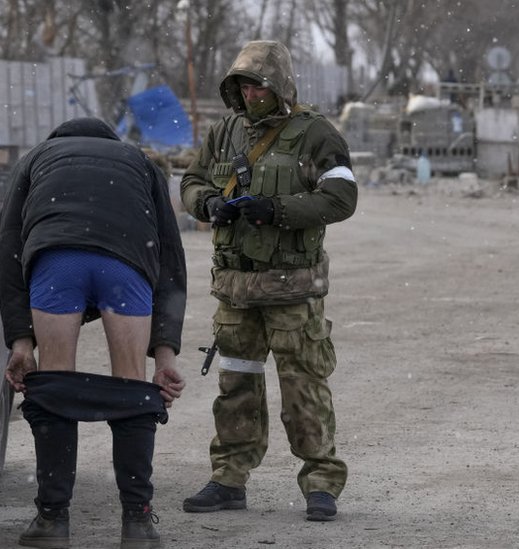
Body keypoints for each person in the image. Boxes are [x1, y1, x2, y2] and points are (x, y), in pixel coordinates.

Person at [179, 40, 358, 522]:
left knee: (304, 387)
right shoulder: (224, 132)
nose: (251, 93)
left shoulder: (317, 134)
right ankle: (228, 479)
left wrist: (277, 211)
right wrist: (208, 204)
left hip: (292, 289)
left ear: (279, 86)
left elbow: (342, 198)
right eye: (242, 84)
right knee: (235, 386)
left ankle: (321, 483)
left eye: (259, 84)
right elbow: (191, 182)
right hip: (236, 291)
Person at [0, 117, 187, 549]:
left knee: (54, 383)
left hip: (57, 259)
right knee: (132, 388)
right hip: (125, 261)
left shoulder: (35, 159)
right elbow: (171, 258)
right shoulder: (139, 161)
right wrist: (165, 356)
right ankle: (138, 521)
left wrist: (22, 345)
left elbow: (8, 251)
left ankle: (52, 519)